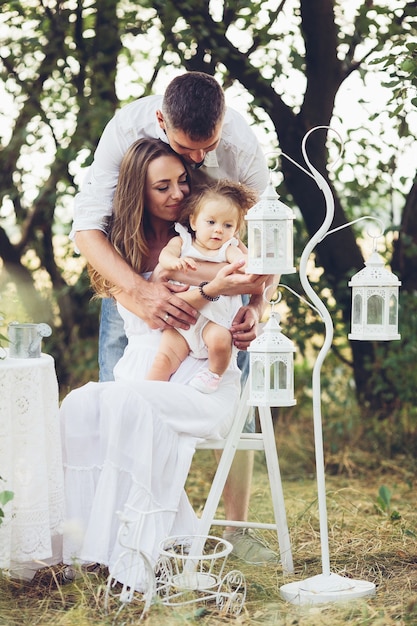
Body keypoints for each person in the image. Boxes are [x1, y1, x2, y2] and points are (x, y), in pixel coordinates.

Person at [72, 71, 277, 564]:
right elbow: (86, 226)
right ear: (161, 120)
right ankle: (112, 524)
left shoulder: (242, 146)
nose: (199, 160)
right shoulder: (125, 131)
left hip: (220, 295)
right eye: (187, 149)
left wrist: (257, 306)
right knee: (123, 398)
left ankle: (236, 526)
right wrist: (138, 290)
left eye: (207, 149)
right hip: (142, 279)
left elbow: (270, 235)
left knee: (232, 397)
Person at [146, 180, 258, 393]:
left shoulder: (227, 248)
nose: (218, 230)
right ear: (194, 221)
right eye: (211, 222)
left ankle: (213, 374)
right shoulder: (182, 242)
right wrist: (174, 263)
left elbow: (243, 262)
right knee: (163, 359)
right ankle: (148, 393)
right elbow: (165, 256)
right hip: (182, 321)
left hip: (213, 319)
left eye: (227, 225)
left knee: (220, 341)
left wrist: (247, 265)